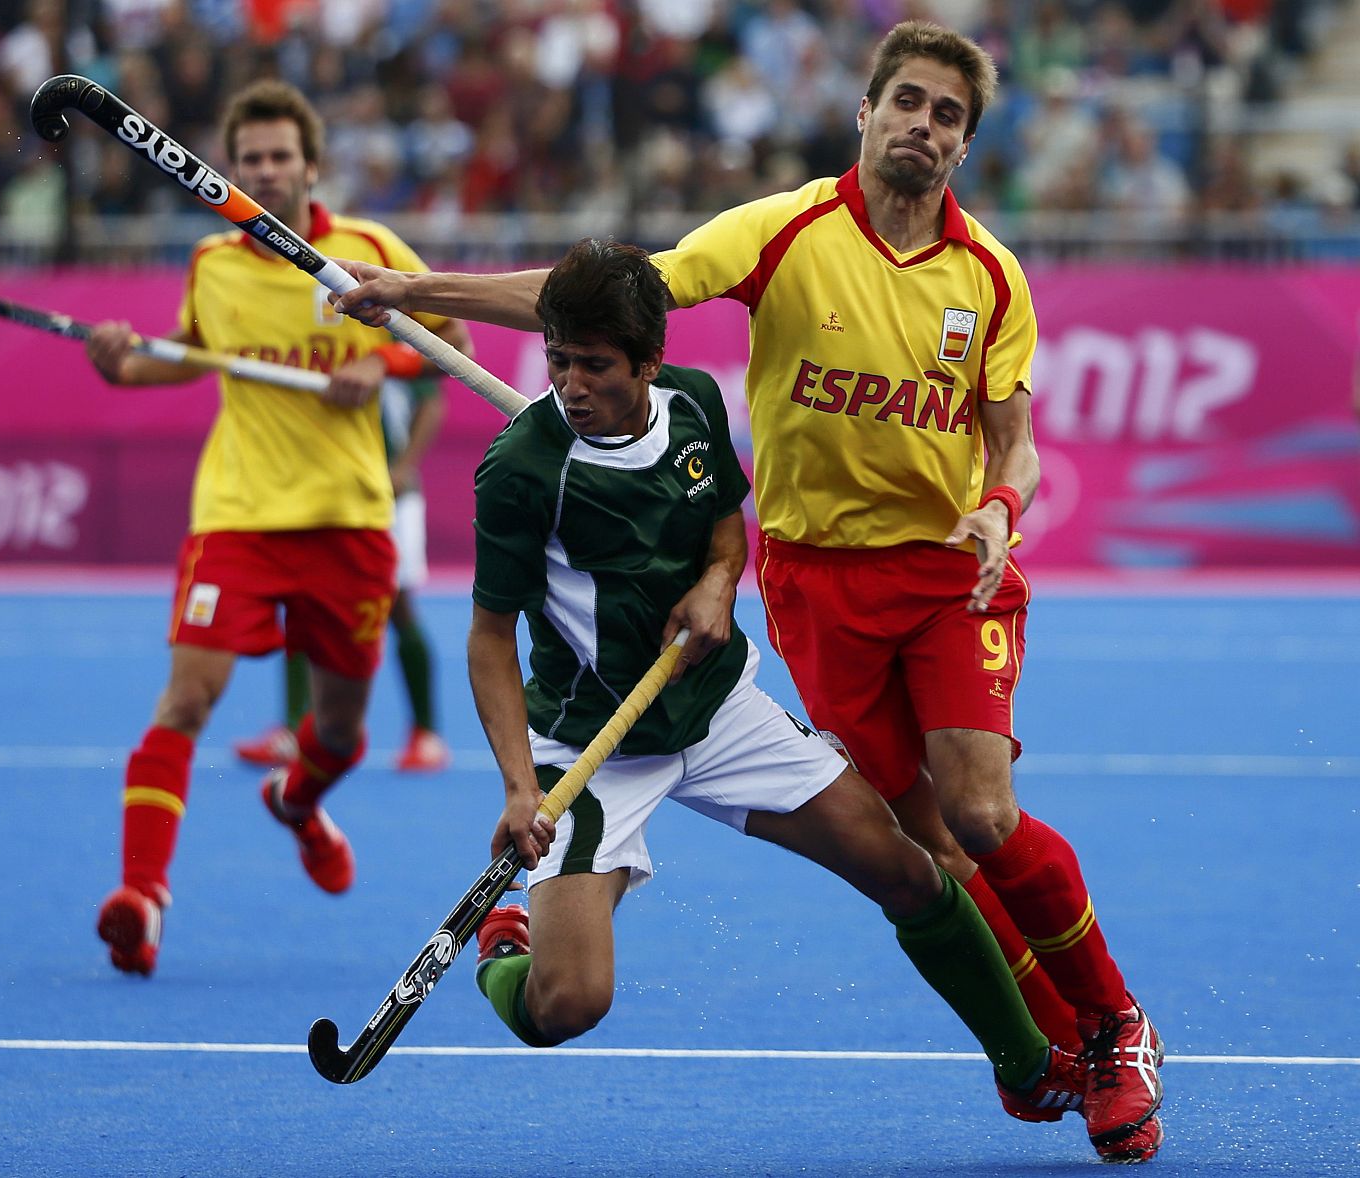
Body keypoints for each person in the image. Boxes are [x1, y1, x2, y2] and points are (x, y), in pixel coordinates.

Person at [331, 22, 1164, 1164]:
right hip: (811, 595)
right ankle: (1051, 1040)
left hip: (940, 574)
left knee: (970, 816)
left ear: (967, 143)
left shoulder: (988, 276)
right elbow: (609, 295)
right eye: (906, 101)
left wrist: (1000, 507)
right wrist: (416, 290)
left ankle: (1104, 1033)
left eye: (947, 114)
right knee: (923, 843)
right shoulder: (781, 232)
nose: (923, 125)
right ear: (864, 112)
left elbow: (1012, 438)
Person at [465, 237, 1084, 1131]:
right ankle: (503, 947)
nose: (571, 385)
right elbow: (490, 638)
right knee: (568, 1004)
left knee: (908, 870)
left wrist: (719, 583)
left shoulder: (694, 403)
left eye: (595, 365)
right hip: (595, 742)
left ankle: (1028, 1066)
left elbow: (727, 530)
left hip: (718, 711)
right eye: (558, 361)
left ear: (649, 362)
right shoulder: (520, 469)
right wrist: (521, 788)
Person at [81, 79, 472, 977]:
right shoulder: (211, 264)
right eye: (249, 159)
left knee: (339, 734)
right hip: (239, 517)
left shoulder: (368, 251)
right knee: (186, 701)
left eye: (279, 156)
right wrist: (119, 364)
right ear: (230, 171)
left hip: (349, 519)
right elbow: (184, 357)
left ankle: (296, 803)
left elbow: (453, 344)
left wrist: (384, 366)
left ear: (311, 165)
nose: (265, 170)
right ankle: (142, 896)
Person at [233, 372, 451, 774]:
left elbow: (431, 402)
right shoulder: (319, 344)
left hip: (389, 497)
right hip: (329, 495)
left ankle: (426, 734)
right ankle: (294, 729)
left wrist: (403, 467)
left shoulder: (395, 341)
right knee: (303, 604)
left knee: (398, 608)